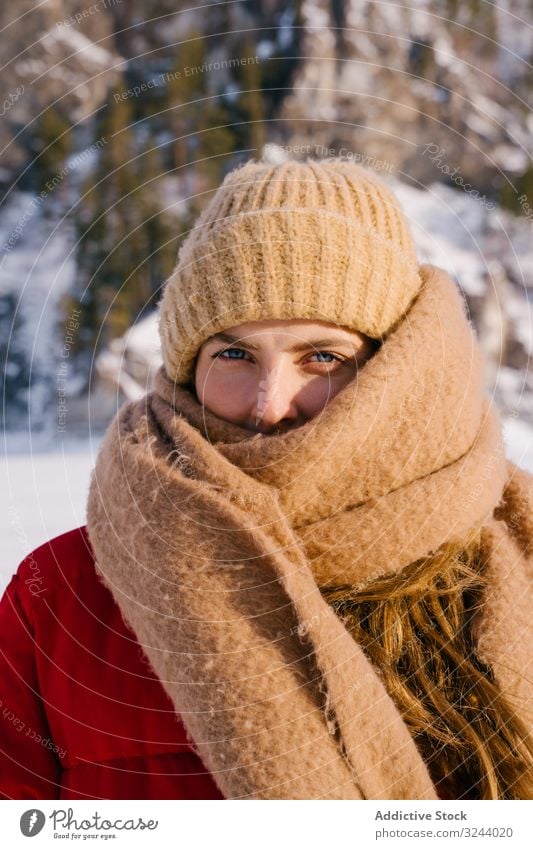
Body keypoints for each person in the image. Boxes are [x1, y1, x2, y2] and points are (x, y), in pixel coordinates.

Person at [1, 156, 532, 801]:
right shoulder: (58, 599)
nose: (268, 403)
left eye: (323, 357)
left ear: (398, 368)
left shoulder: (513, 559)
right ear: (186, 366)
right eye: (234, 353)